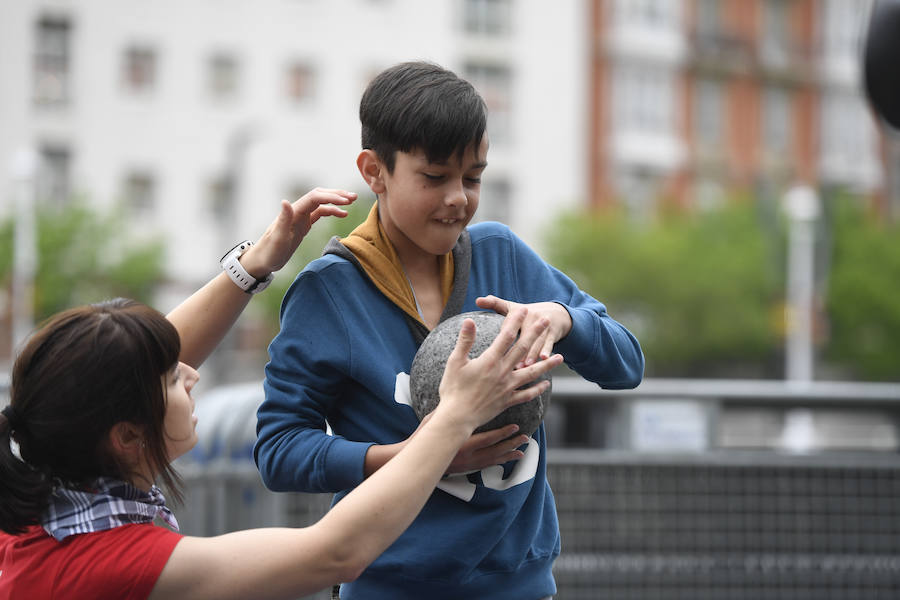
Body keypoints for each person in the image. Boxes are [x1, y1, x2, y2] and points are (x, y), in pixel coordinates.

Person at [0, 188, 562, 600]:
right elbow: (335, 553)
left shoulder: (41, 496)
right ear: (126, 436)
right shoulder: (110, 563)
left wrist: (253, 266)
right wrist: (455, 415)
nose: (193, 374)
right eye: (174, 378)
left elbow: (119, 373)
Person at [255, 61, 645, 599]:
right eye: (434, 177)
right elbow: (278, 449)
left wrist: (565, 319)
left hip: (522, 586)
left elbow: (627, 365)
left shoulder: (502, 256)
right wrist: (420, 455)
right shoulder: (328, 294)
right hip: (387, 586)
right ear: (375, 172)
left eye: (474, 177)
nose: (458, 197)